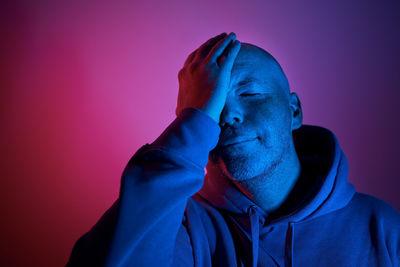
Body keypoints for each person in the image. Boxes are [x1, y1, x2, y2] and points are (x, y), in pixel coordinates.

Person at [66, 32, 400, 267]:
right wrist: (195, 119)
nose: (228, 114)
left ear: (294, 111)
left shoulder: (381, 227)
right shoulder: (181, 228)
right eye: (211, 106)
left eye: (251, 93)